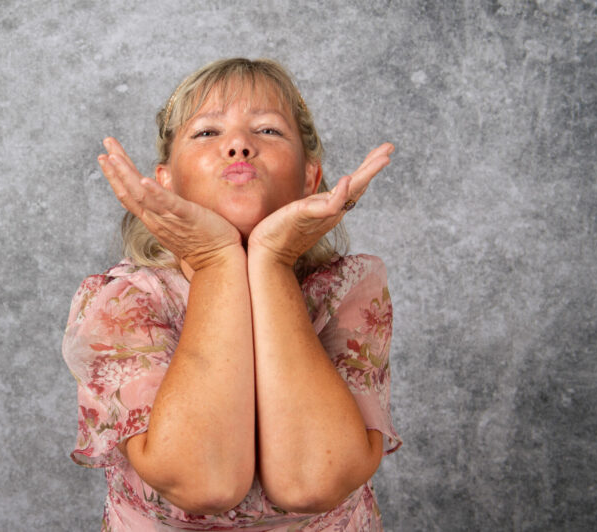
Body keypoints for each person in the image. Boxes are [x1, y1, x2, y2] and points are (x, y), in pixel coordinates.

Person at [62, 57, 402, 531]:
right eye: (207, 132)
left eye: (268, 130)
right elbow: (203, 484)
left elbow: (314, 483)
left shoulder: (346, 290)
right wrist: (216, 260)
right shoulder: (124, 301)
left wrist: (272, 261)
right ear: (166, 180)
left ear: (309, 178)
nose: (239, 145)